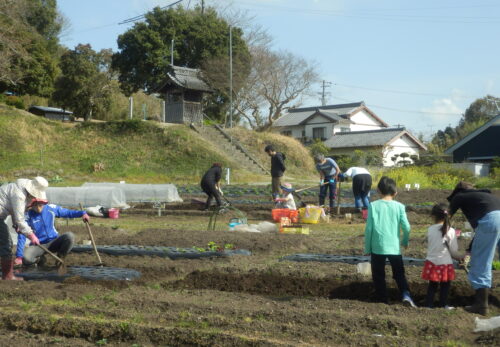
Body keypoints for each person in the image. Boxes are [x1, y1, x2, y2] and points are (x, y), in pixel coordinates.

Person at [447, 181, 500, 315]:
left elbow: (446, 217)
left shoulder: (460, 196)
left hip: (491, 222)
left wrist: (440, 232)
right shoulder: (487, 196)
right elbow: (481, 231)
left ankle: (481, 305)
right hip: (494, 219)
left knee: (480, 262)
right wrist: (470, 249)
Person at [364, 176, 416, 307]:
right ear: (395, 192)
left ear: (378, 191)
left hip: (377, 247)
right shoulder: (399, 206)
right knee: (399, 274)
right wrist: (404, 241)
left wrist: (367, 248)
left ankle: (382, 299)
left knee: (378, 275)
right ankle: (405, 295)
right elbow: (407, 227)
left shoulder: (373, 205)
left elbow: (369, 228)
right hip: (394, 247)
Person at [15, 199, 89, 266]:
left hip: (54, 241)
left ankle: (60, 258)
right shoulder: (27, 215)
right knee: (26, 258)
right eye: (35, 205)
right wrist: (19, 256)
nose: (38, 208)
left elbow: (67, 212)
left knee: (70, 236)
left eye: (40, 205)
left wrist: (82, 213)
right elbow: (22, 235)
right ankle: (39, 260)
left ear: (43, 203)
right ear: (31, 205)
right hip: (39, 245)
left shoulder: (51, 208)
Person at [0, 177, 48, 280]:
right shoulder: (19, 195)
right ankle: (8, 276)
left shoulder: (20, 188)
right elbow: (20, 219)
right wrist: (31, 235)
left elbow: (14, 211)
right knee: (6, 243)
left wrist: (16, 225)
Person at [422, 203, 462, 309]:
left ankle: (429, 305)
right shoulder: (451, 231)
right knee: (445, 285)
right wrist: (461, 257)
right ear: (448, 216)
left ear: (433, 216)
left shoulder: (430, 229)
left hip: (431, 261)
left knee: (432, 285)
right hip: (445, 263)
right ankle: (443, 304)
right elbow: (454, 251)